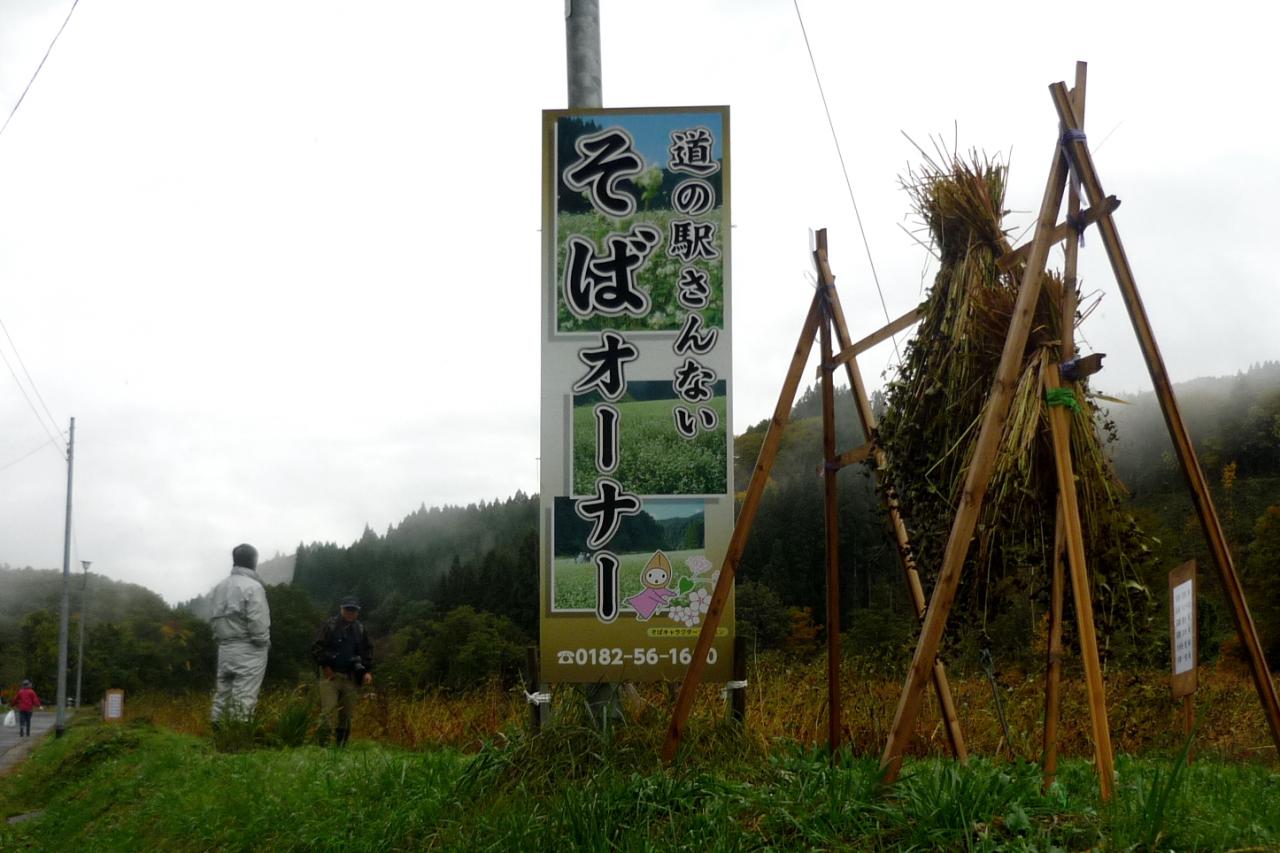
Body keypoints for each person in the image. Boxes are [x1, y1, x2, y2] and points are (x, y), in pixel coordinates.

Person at [208, 543, 271, 726]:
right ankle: (237, 742)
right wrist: (263, 642)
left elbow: (213, 618)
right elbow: (257, 622)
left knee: (223, 694)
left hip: (225, 647)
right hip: (249, 647)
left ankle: (217, 736)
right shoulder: (254, 587)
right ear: (254, 561)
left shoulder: (219, 587)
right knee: (245, 695)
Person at [311, 597, 373, 747]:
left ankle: (341, 746)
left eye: (354, 610)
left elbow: (367, 651)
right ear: (342, 609)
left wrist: (367, 671)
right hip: (331, 676)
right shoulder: (329, 625)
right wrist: (325, 667)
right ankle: (323, 745)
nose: (350, 612)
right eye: (348, 609)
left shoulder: (360, 629)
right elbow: (317, 647)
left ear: (357, 612)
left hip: (351, 677)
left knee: (346, 714)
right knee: (328, 711)